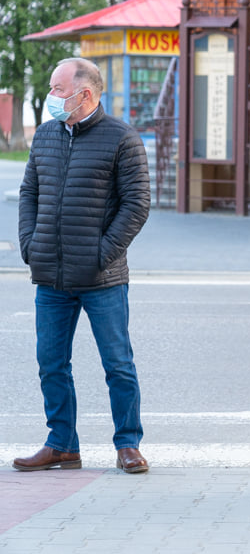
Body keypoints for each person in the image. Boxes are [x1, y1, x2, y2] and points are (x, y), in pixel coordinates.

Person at [14, 58, 151, 474]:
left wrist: (100, 255)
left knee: (118, 364)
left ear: (84, 93)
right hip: (50, 277)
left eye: (57, 90)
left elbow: (136, 205)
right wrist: (29, 245)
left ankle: (128, 444)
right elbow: (29, 192)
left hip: (101, 278)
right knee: (51, 363)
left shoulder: (121, 139)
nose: (52, 97)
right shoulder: (45, 136)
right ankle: (62, 445)